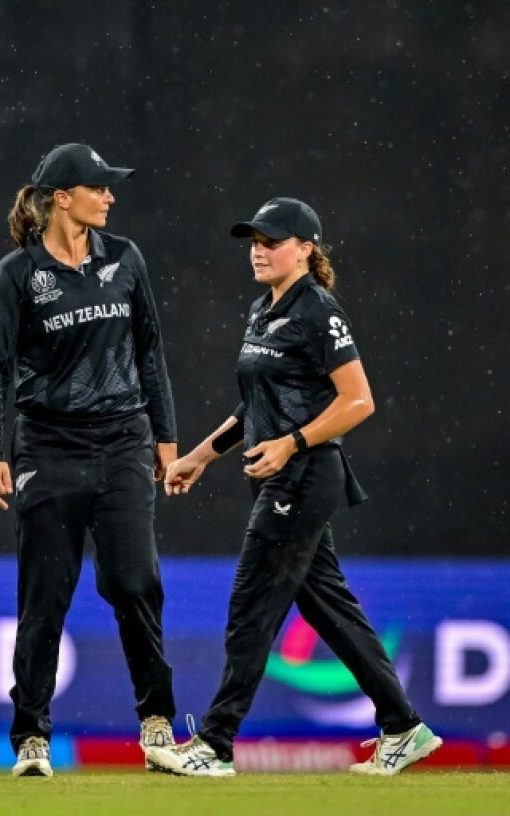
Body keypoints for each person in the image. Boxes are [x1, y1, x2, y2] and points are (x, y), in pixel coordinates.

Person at [146, 198, 441, 777]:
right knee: (331, 608)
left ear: (306, 249)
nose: (258, 249)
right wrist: (202, 455)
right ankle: (404, 728)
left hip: (304, 476)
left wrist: (293, 443)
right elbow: (255, 404)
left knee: (251, 604)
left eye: (272, 240)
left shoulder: (317, 310)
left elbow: (359, 400)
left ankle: (216, 743)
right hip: (283, 475)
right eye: (253, 239)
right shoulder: (264, 309)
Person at [0, 143, 180, 777]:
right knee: (45, 596)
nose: (111, 196)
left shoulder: (125, 257)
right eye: (99, 187)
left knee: (135, 583)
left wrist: (165, 438)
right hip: (48, 446)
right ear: (63, 198)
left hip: (123, 440)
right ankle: (31, 736)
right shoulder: (17, 273)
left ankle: (158, 725)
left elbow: (150, 350)